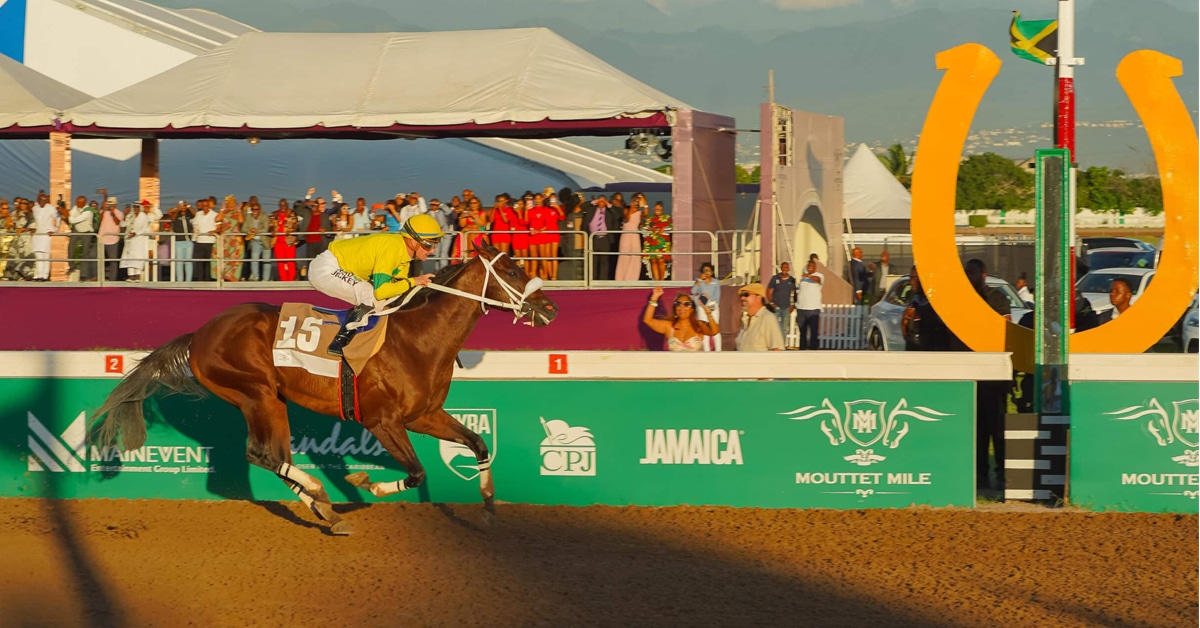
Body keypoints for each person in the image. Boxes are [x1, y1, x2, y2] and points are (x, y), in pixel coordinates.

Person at [309, 213, 444, 357]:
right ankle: (340, 343)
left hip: (339, 267)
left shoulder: (404, 257)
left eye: (435, 244)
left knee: (385, 299)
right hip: (325, 268)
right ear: (412, 241)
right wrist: (413, 281)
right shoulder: (392, 248)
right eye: (428, 245)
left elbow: (397, 290)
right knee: (370, 295)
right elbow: (381, 292)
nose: (432, 250)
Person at [956, 259, 1010, 492]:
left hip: (995, 375)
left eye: (972, 272)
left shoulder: (997, 298)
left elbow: (1004, 329)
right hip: (970, 374)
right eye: (966, 272)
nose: (969, 276)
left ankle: (1002, 474)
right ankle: (979, 477)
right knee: (976, 430)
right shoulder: (960, 301)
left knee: (998, 429)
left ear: (983, 274)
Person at [642, 287, 718, 352]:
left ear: (692, 309)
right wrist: (654, 297)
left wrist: (708, 313)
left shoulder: (698, 325)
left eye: (686, 304)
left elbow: (714, 331)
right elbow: (647, 320)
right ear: (675, 309)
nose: (682, 307)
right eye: (678, 304)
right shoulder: (669, 326)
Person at [736, 283, 785, 351]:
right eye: (741, 295)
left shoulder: (768, 318)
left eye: (746, 295)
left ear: (759, 296)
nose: (742, 298)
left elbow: (777, 350)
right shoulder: (745, 320)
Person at [691, 262, 721, 352]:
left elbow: (717, 296)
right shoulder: (699, 281)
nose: (706, 272)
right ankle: (706, 352)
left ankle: (719, 351)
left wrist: (709, 299)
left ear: (712, 272)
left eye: (708, 270)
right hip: (701, 306)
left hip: (712, 306)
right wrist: (700, 280)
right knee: (704, 329)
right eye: (705, 270)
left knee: (715, 328)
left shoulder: (715, 282)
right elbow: (693, 291)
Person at [67, 195, 98, 281]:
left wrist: (71, 217)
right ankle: (72, 266)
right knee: (70, 248)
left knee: (85, 253)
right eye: (76, 202)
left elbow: (72, 220)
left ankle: (83, 274)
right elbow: (71, 214)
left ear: (84, 203)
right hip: (77, 230)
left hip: (86, 232)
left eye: (79, 202)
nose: (77, 204)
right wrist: (71, 216)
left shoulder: (88, 211)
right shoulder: (75, 207)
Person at [30, 192, 59, 281]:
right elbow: (32, 220)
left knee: (45, 255)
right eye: (40, 199)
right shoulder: (34, 209)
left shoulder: (51, 208)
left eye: (44, 199)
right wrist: (32, 228)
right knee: (38, 255)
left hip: (46, 234)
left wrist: (54, 229)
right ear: (38, 200)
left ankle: (45, 276)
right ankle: (39, 274)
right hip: (37, 234)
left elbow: (58, 218)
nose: (42, 201)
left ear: (46, 200)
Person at [795, 260, 824, 350]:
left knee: (813, 331)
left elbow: (818, 280)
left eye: (811, 266)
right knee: (802, 331)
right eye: (808, 266)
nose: (809, 267)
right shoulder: (803, 279)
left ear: (815, 267)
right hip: (801, 308)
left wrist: (808, 276)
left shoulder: (819, 275)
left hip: (813, 308)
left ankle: (813, 348)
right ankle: (802, 348)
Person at [641, 201, 672, 281]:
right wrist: (650, 229)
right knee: (653, 261)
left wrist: (663, 229)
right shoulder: (649, 218)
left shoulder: (667, 218)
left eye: (659, 208)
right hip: (651, 242)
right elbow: (642, 227)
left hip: (662, 243)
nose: (657, 210)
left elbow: (672, 226)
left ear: (662, 209)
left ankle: (662, 281)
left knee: (661, 261)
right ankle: (656, 281)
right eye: (655, 208)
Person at [614, 196, 643, 281]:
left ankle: (632, 278)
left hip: (635, 235)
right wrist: (631, 206)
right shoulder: (626, 211)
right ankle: (621, 278)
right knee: (624, 256)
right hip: (626, 235)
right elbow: (627, 219)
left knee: (635, 256)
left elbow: (646, 213)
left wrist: (643, 201)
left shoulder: (639, 213)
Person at [766, 262, 797, 341]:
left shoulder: (792, 280)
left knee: (784, 328)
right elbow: (769, 291)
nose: (784, 269)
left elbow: (794, 293)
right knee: (775, 327)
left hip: (786, 307)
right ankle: (775, 343)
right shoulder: (775, 278)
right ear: (781, 268)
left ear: (788, 269)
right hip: (777, 307)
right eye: (783, 267)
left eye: (786, 267)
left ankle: (782, 344)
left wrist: (793, 305)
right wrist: (771, 303)